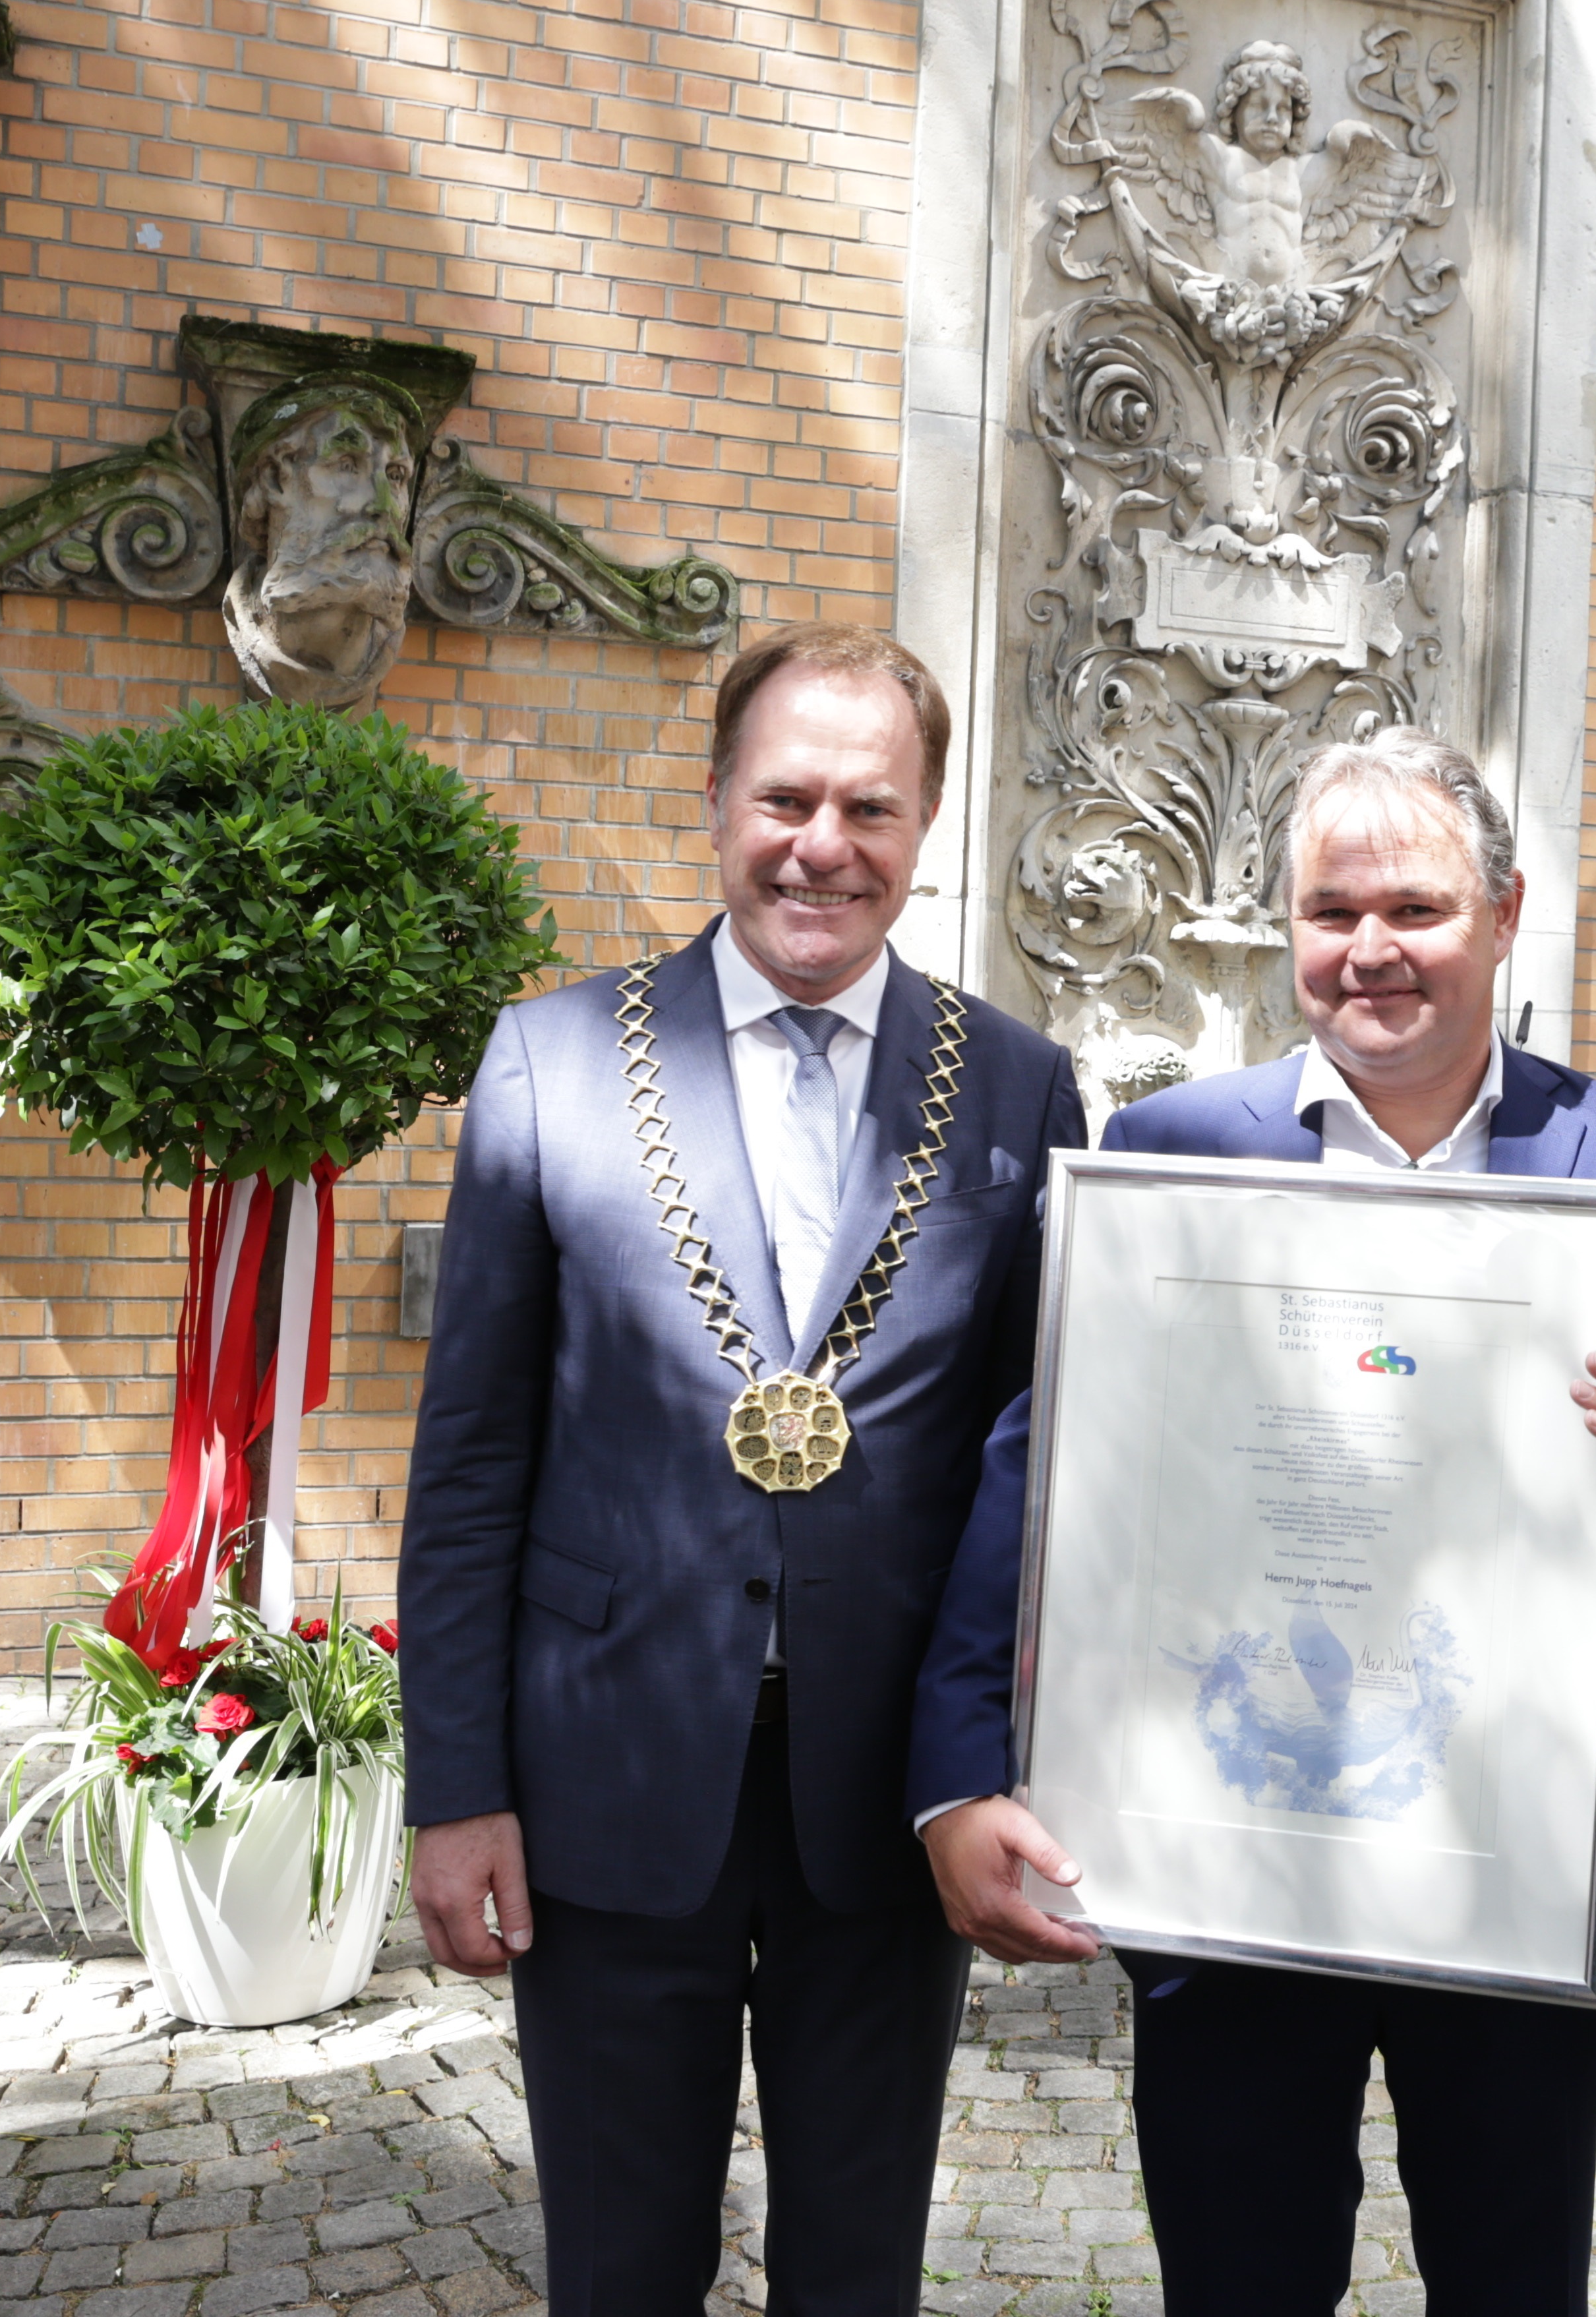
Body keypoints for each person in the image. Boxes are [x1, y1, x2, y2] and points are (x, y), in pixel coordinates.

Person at [907, 727, 1596, 2314]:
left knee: (1512, 2288)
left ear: (1503, 914)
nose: (1371, 953)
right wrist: (958, 1777)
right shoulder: (1167, 1156)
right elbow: (1039, 1474)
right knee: (1239, 2285)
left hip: (1513, 1872)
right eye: (1330, 912)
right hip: (1228, 1869)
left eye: (1416, 910)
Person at [396, 622, 1086, 2314]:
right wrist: (454, 1784)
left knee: (858, 2269)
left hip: (884, 1796)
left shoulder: (1019, 1084)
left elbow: (1039, 1473)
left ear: (924, 832)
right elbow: (473, 1457)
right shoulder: (550, 1064)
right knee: (620, 2268)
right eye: (786, 797)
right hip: (606, 1774)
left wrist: (997, 1766)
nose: (822, 845)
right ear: (716, 803)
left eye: (872, 806)